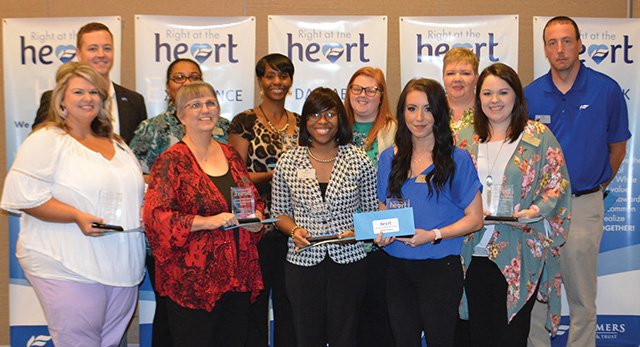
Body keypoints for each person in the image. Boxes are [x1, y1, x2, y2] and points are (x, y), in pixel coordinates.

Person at [1, 62, 146, 346]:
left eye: (94, 91)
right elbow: (22, 195)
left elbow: (134, 188)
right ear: (61, 100)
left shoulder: (117, 143)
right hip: (66, 262)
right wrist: (76, 216)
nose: (88, 97)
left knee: (109, 342)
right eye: (78, 91)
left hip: (121, 266)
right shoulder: (47, 139)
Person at [524, 16, 630, 347]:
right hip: (539, 211)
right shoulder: (530, 94)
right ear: (545, 49)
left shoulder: (606, 90)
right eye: (552, 43)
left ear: (580, 45)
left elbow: (617, 148)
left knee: (583, 296)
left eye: (567, 41)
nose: (560, 49)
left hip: (584, 204)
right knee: (538, 292)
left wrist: (591, 186)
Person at [454, 63, 571, 346]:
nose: (495, 100)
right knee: (476, 333)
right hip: (471, 250)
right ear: (478, 97)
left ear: (516, 96)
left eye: (503, 92)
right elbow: (447, 185)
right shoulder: (463, 137)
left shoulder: (538, 136)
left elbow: (557, 183)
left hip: (519, 251)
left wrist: (536, 211)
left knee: (510, 335)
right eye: (487, 93)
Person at [143, 81, 265, 347]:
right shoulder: (170, 161)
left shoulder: (230, 154)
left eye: (210, 103)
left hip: (237, 276)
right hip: (194, 282)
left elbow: (251, 199)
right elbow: (156, 217)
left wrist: (255, 219)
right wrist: (206, 222)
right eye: (194, 105)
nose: (205, 109)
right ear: (180, 115)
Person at [375, 78, 483, 347]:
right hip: (397, 269)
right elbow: (383, 208)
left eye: (427, 109)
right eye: (411, 109)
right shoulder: (389, 158)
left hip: (440, 269)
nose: (419, 117)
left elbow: (475, 218)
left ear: (439, 112)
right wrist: (381, 233)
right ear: (402, 113)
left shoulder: (457, 159)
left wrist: (433, 235)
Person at [271, 87, 378, 347]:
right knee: (307, 336)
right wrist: (295, 231)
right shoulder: (288, 160)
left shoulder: (358, 159)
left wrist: (358, 233)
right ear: (305, 120)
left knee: (346, 336)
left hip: (349, 262)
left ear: (340, 119)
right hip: (303, 263)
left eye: (330, 114)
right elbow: (279, 214)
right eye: (315, 114)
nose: (322, 121)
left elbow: (372, 212)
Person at [228, 53, 298, 347]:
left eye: (283, 75)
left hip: (293, 230)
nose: (277, 82)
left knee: (290, 307)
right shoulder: (244, 121)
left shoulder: (302, 122)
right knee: (254, 307)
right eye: (270, 76)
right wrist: (275, 174)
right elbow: (237, 176)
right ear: (260, 81)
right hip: (257, 229)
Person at [343, 66, 396, 347]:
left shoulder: (396, 132)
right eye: (357, 89)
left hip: (381, 242)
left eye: (371, 89)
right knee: (349, 323)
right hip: (344, 242)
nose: (363, 95)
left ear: (381, 95)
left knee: (380, 320)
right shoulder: (334, 130)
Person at [33, 22, 148, 144]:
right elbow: (40, 145)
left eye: (107, 48)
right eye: (93, 49)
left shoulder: (135, 101)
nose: (101, 54)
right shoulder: (55, 99)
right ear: (78, 54)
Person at [130, 58, 230, 176]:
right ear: (167, 86)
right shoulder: (151, 128)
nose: (187, 83)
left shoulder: (224, 126)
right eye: (179, 78)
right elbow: (134, 176)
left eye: (194, 77)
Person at [442, 47, 479, 135]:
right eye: (451, 73)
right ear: (443, 77)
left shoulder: (487, 111)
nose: (457, 79)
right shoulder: (432, 110)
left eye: (465, 73)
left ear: (477, 78)